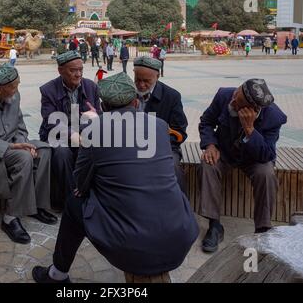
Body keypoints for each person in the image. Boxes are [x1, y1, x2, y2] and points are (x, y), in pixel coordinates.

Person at [32, 72, 199, 283]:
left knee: (74, 204)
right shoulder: (159, 126)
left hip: (132, 248)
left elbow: (80, 184)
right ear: (136, 102)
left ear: (103, 106)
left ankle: (57, 274)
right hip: (180, 237)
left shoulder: (94, 131)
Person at [0, 64, 57, 244]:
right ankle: (10, 218)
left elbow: (20, 126)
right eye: (13, 87)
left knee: (44, 151)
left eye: (18, 85)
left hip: (16, 144)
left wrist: (23, 143)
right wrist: (14, 147)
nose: (17, 90)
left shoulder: (13, 94)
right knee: (24, 158)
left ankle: (36, 206)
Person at [198, 79, 287, 253]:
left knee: (266, 173)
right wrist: (210, 145)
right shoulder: (224, 95)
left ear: (252, 110)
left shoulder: (274, 117)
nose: (233, 100)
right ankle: (214, 225)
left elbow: (267, 154)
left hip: (253, 158)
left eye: (238, 102)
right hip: (224, 151)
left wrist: (250, 130)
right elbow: (206, 122)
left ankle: (262, 229)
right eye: (235, 94)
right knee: (207, 164)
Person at [39, 51, 101, 211]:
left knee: (98, 150)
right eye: (73, 70)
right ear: (60, 71)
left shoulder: (91, 86)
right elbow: (53, 121)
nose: (78, 74)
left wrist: (96, 117)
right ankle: (71, 201)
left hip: (83, 134)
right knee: (62, 153)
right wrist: (74, 135)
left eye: (81, 69)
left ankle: (93, 195)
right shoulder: (48, 90)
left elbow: (99, 115)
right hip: (57, 136)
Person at [133, 56, 188, 193]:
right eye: (138, 80)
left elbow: (180, 132)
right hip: (131, 145)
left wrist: (157, 144)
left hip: (163, 147)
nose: (141, 85)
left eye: (146, 81)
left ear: (157, 76)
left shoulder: (172, 96)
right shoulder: (127, 93)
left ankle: (180, 207)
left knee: (173, 166)